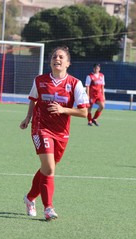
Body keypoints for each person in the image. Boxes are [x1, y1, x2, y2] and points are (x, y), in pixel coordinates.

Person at [20, 46, 89, 221]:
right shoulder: (40, 80)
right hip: (40, 128)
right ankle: (48, 208)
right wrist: (28, 117)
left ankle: (29, 198)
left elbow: (84, 113)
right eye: (54, 57)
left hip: (61, 133)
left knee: (47, 168)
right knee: (49, 168)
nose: (56, 59)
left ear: (67, 63)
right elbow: (33, 100)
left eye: (60, 57)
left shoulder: (75, 84)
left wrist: (63, 109)